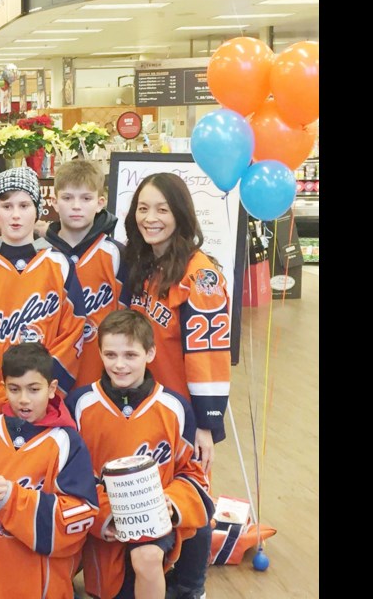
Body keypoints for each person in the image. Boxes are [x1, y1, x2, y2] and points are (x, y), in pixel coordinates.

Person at [121, 172, 230, 599]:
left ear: (180, 214)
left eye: (162, 209)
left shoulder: (200, 275)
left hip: (185, 409)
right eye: (143, 208)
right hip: (149, 405)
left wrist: (206, 423)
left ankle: (191, 589)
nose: (151, 218)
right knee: (157, 492)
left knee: (194, 496)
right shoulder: (143, 262)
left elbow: (210, 353)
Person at [65, 310, 215, 599]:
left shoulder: (174, 406)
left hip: (157, 516)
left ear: (150, 353)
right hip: (105, 518)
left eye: (130, 355)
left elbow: (193, 474)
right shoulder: (80, 404)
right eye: (110, 355)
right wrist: (104, 516)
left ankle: (190, 589)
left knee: (148, 556)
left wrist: (171, 503)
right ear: (99, 353)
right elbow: (68, 478)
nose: (119, 365)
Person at [0, 342, 98, 599]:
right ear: (4, 387)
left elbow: (80, 515)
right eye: (14, 389)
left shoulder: (67, 441)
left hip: (43, 580)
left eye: (34, 389)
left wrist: (13, 499)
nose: (23, 399)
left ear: (52, 388)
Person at [0, 167, 87, 421]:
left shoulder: (59, 265)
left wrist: (41, 396)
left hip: (47, 408)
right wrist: (0, 401)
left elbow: (72, 334)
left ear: (37, 209)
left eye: (24, 206)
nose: (15, 215)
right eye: (6, 206)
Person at [44, 160, 127, 389]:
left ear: (100, 202)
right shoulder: (41, 255)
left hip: (103, 374)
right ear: (54, 202)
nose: (76, 206)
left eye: (86, 198)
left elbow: (128, 319)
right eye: (68, 198)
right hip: (50, 376)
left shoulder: (116, 255)